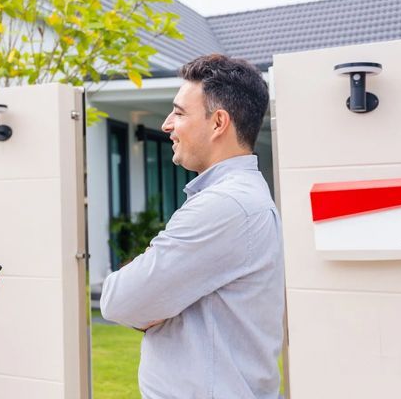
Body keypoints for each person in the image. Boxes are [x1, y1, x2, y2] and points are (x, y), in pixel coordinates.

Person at [100, 54, 284, 399]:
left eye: (180, 112)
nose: (167, 124)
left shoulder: (223, 206)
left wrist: (153, 301)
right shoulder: (238, 199)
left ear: (218, 123)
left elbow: (118, 301)